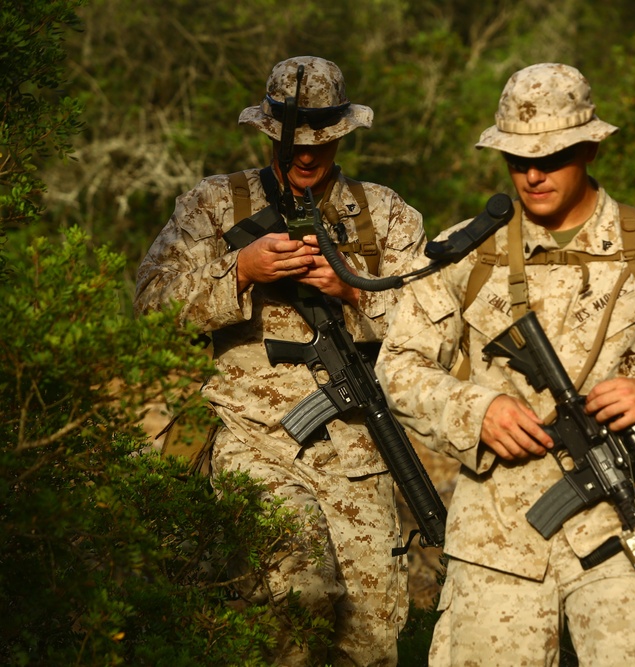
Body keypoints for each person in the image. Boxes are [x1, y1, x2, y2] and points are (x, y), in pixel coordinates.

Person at [375, 62, 635, 666]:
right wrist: (475, 409)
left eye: (551, 157)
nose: (532, 175)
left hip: (623, 532)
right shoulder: (466, 255)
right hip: (496, 545)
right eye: (516, 159)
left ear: (588, 148)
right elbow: (399, 363)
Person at [135, 56, 424, 666]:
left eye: (323, 136)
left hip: (359, 458)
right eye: (295, 136)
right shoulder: (213, 205)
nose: (308, 153)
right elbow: (151, 307)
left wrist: (352, 289)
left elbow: (435, 321)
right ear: (267, 131)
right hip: (253, 442)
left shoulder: (385, 214)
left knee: (370, 639)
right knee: (295, 597)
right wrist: (240, 271)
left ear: (343, 133)